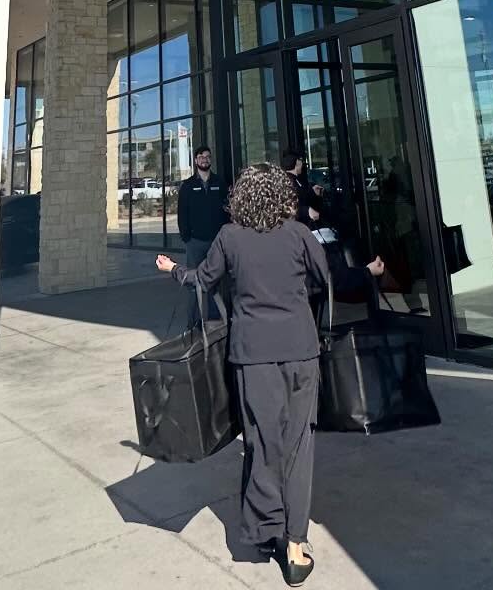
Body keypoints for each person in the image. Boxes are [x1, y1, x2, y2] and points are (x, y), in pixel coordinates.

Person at [157, 162, 384, 586]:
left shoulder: (229, 237)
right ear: (283, 196)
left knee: (263, 443)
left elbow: (202, 280)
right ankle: (296, 546)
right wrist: (368, 273)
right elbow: (330, 278)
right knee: (299, 445)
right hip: (300, 353)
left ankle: (264, 532)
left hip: (253, 356)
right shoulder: (299, 234)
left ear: (240, 197)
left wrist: (172, 269)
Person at [176, 145, 228, 326]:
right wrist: (186, 237)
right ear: (196, 160)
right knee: (193, 282)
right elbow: (182, 213)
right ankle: (193, 321)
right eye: (201, 156)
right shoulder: (188, 186)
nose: (205, 159)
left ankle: (214, 319)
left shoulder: (219, 183)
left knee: (215, 282)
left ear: (210, 160)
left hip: (216, 242)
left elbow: (226, 209)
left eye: (207, 156)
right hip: (195, 242)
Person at [279, 152, 321, 226]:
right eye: (301, 162)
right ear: (297, 164)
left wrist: (312, 191)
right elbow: (289, 205)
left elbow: (301, 195)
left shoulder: (292, 179)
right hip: (297, 225)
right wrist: (306, 211)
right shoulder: (290, 181)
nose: (302, 165)